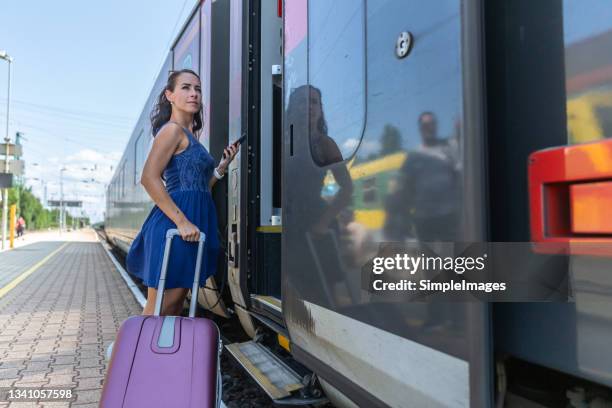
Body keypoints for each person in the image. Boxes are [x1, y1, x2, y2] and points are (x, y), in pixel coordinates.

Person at [126, 69, 239, 316]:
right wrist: (182, 222)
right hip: (175, 227)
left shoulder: (191, 137)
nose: (194, 94)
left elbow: (198, 187)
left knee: (174, 306)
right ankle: (132, 354)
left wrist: (219, 169)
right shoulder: (172, 131)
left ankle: (152, 354)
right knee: (160, 309)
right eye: (186, 88)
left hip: (191, 225)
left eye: (198, 89)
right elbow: (148, 178)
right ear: (170, 95)